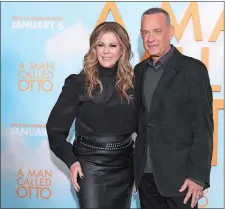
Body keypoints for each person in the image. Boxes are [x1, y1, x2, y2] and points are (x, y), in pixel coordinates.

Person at [46, 21, 137, 209]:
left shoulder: (133, 84)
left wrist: (140, 165)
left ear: (123, 49)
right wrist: (71, 161)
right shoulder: (78, 83)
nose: (106, 51)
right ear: (93, 48)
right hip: (89, 166)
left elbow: (145, 128)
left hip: (125, 166)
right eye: (100, 45)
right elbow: (54, 129)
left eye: (113, 45)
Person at [134, 8, 213, 209]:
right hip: (146, 178)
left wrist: (198, 176)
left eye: (157, 31)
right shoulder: (139, 71)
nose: (150, 38)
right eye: (145, 32)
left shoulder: (193, 70)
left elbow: (203, 128)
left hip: (182, 182)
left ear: (170, 32)